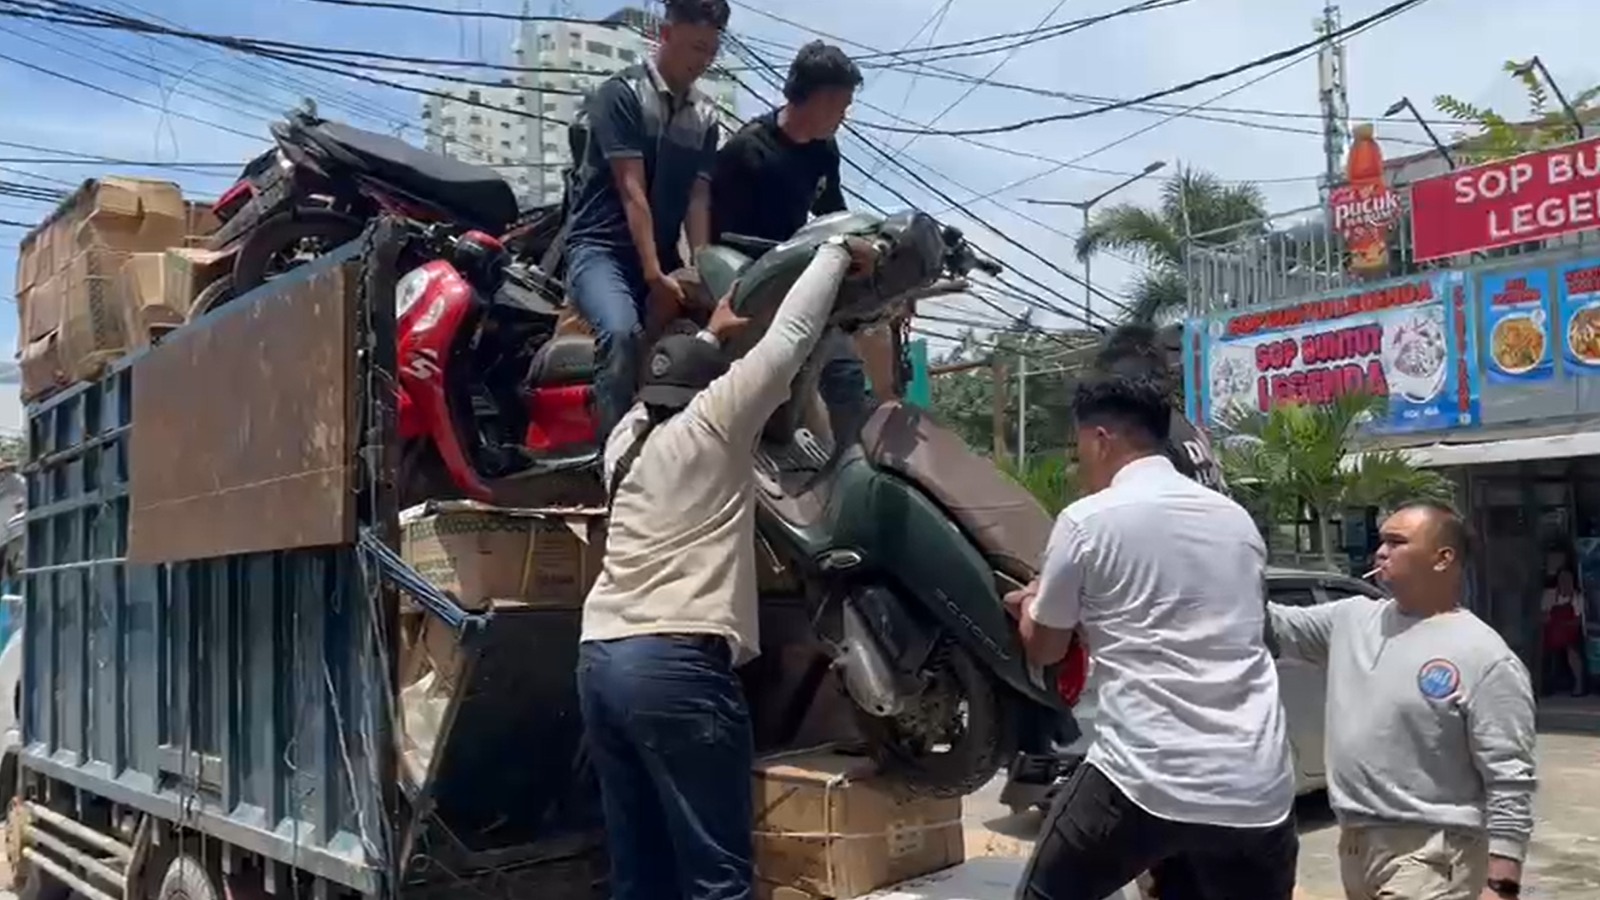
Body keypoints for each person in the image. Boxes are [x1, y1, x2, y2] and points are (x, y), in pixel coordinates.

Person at [576, 234, 880, 900]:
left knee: (641, 872)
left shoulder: (625, 440)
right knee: (717, 876)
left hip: (600, 663)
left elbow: (678, 375)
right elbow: (791, 338)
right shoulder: (714, 424)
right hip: (677, 666)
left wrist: (709, 338)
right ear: (706, 389)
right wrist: (831, 255)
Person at [1008, 331, 1299, 900]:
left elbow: (1044, 648)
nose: (1080, 464)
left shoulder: (1088, 520)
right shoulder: (1236, 521)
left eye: (1078, 450)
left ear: (1099, 438)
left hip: (1144, 778)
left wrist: (1031, 605)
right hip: (1256, 788)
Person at [1267, 501, 1537, 900]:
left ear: (1443, 558)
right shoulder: (1351, 619)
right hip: (1356, 846)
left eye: (1397, 542)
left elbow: (1510, 776)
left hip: (1433, 854)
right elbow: (1271, 624)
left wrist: (1501, 881)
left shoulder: (1485, 655)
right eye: (1381, 542)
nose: (1381, 552)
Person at [563, 0, 729, 439]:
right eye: (697, 47)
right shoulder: (621, 94)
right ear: (666, 34)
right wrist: (654, 273)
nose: (704, 61)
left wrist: (701, 270)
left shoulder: (706, 117)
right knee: (621, 334)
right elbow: (631, 190)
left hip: (659, 256)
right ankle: (612, 464)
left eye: (711, 51)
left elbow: (698, 199)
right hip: (600, 252)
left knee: (715, 341)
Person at [707, 40, 878, 444]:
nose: (844, 115)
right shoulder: (746, 151)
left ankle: (847, 466)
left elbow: (834, 215)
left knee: (845, 371)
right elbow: (719, 241)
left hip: (801, 278)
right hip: (754, 286)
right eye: (841, 104)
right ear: (817, 99)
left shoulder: (823, 151)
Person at [1541, 568, 1587, 697]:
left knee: (1572, 650)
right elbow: (1543, 616)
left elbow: (1578, 621)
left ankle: (1579, 685)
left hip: (1569, 633)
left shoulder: (1578, 598)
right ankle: (1546, 685)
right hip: (1551, 633)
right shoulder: (1549, 595)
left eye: (1568, 579)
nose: (1565, 582)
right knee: (1545, 649)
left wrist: (1563, 625)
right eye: (1562, 579)